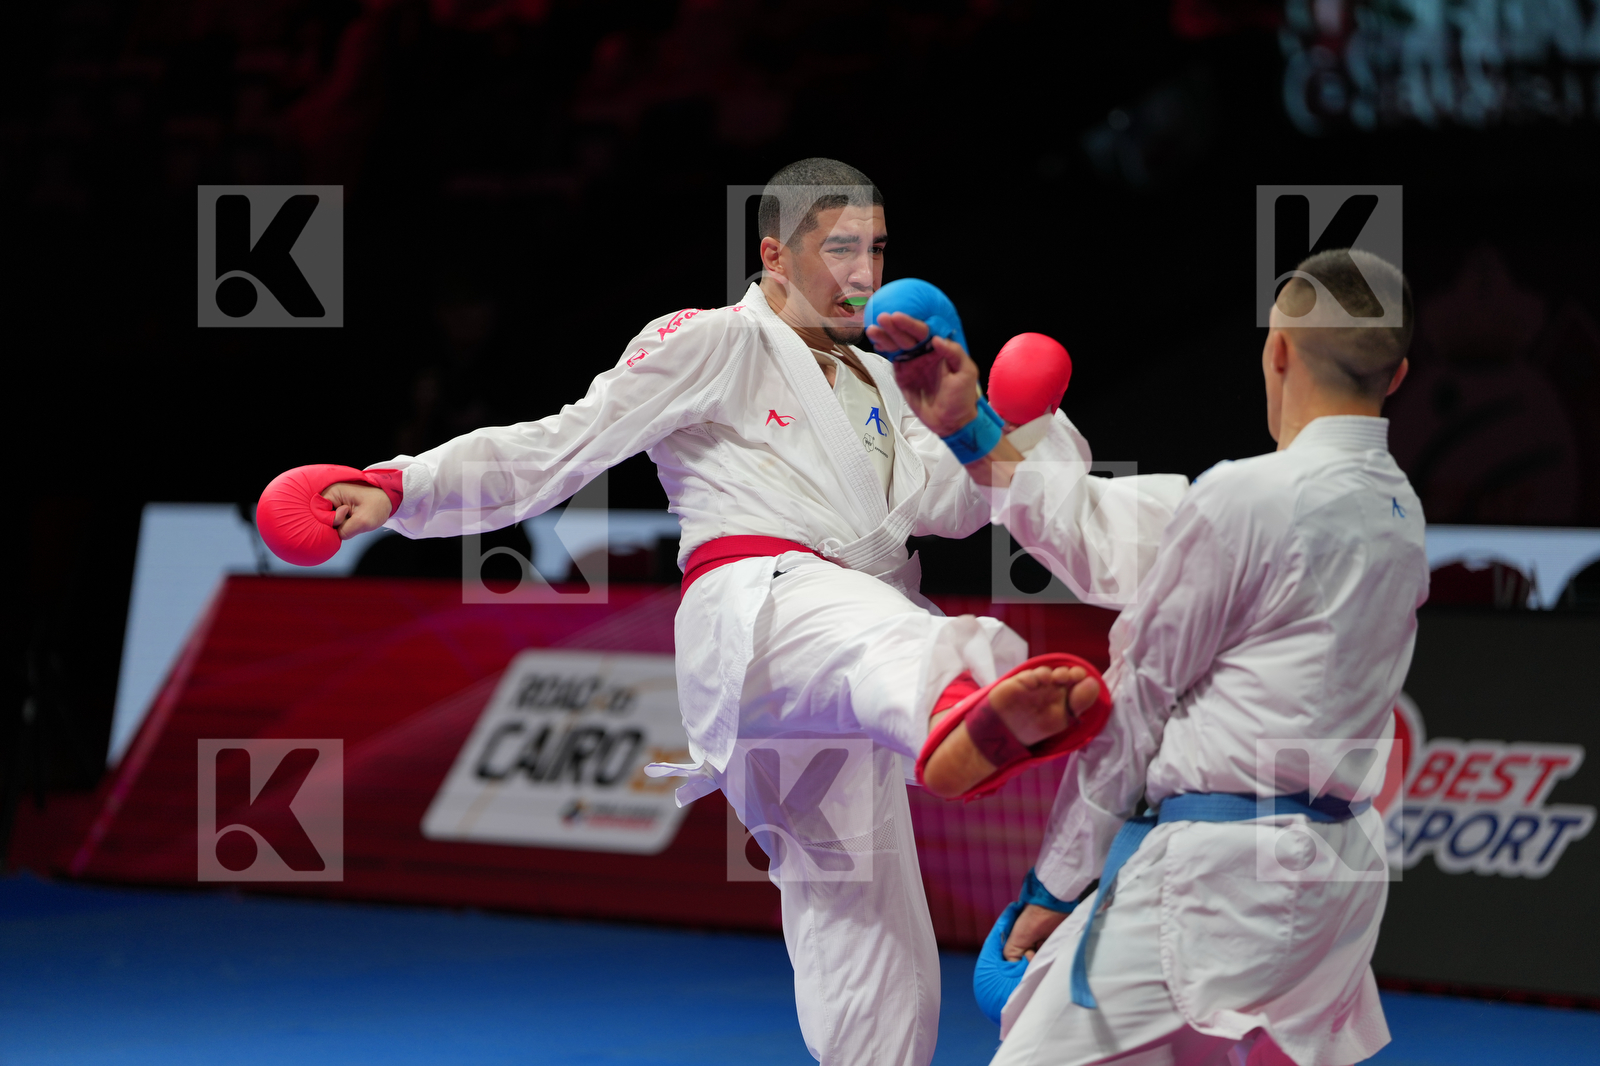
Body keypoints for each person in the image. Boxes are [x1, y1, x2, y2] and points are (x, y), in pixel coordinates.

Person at [308, 157, 1118, 1066]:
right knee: (868, 629)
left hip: (844, 672)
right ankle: (959, 701)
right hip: (763, 614)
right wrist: (398, 486)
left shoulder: (887, 377)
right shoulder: (709, 340)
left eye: (878, 249)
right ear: (775, 254)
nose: (864, 273)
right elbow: (558, 448)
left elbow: (949, 509)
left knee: (865, 925)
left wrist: (1005, 421)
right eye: (840, 248)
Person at [880, 248, 1427, 1065]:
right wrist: (974, 432)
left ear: (1277, 352)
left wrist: (1052, 888)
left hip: (1220, 880)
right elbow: (1111, 530)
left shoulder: (1247, 498)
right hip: (1337, 884)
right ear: (1399, 374)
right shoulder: (1401, 513)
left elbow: (1136, 706)